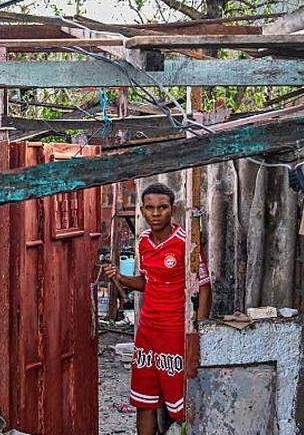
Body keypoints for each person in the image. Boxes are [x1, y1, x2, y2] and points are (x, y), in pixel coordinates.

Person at [103, 182, 212, 435]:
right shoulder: (142, 242)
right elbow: (144, 281)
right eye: (149, 208)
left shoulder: (186, 242)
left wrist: (200, 333)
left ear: (172, 210)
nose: (155, 213)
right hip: (146, 333)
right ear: (141, 210)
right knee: (144, 400)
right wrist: (119, 277)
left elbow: (204, 288)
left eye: (162, 207)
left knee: (182, 404)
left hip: (174, 333)